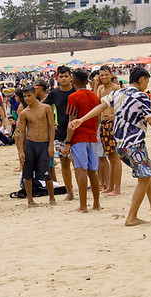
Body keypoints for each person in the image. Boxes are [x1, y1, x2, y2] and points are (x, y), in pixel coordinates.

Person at [70, 67, 151, 226]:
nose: (146, 85)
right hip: (134, 144)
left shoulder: (118, 93)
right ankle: (131, 217)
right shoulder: (141, 96)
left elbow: (101, 107)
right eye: (146, 81)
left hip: (120, 145)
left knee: (147, 167)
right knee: (144, 177)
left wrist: (82, 119)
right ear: (141, 79)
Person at [65, 68, 101, 213]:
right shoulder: (94, 96)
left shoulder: (73, 97)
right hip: (92, 136)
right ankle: (96, 204)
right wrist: (93, 130)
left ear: (73, 81)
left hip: (79, 137)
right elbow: (98, 118)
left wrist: (68, 141)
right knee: (93, 170)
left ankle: (83, 205)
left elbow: (72, 121)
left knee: (80, 169)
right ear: (87, 81)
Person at [15, 85, 56, 207]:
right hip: (30, 144)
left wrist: (51, 145)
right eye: (25, 96)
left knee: (46, 172)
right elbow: (22, 133)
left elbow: (51, 127)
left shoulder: (46, 108)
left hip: (44, 143)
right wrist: (21, 151)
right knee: (27, 173)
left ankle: (52, 198)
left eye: (29, 95)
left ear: (35, 95)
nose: (27, 98)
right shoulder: (24, 113)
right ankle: (30, 200)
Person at [47, 66, 76, 200]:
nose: (64, 79)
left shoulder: (76, 91)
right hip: (60, 133)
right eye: (61, 77)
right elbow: (44, 107)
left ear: (71, 77)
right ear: (57, 78)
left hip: (76, 132)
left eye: (66, 76)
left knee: (78, 163)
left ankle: (84, 188)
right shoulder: (54, 93)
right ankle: (70, 192)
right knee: (64, 163)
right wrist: (50, 122)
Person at [96, 66, 121, 196]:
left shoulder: (116, 88)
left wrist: (114, 116)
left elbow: (123, 106)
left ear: (111, 75)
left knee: (115, 157)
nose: (104, 77)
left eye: (106, 74)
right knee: (110, 156)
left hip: (113, 124)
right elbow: (97, 105)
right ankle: (110, 186)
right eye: (102, 75)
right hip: (103, 125)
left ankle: (117, 188)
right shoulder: (100, 88)